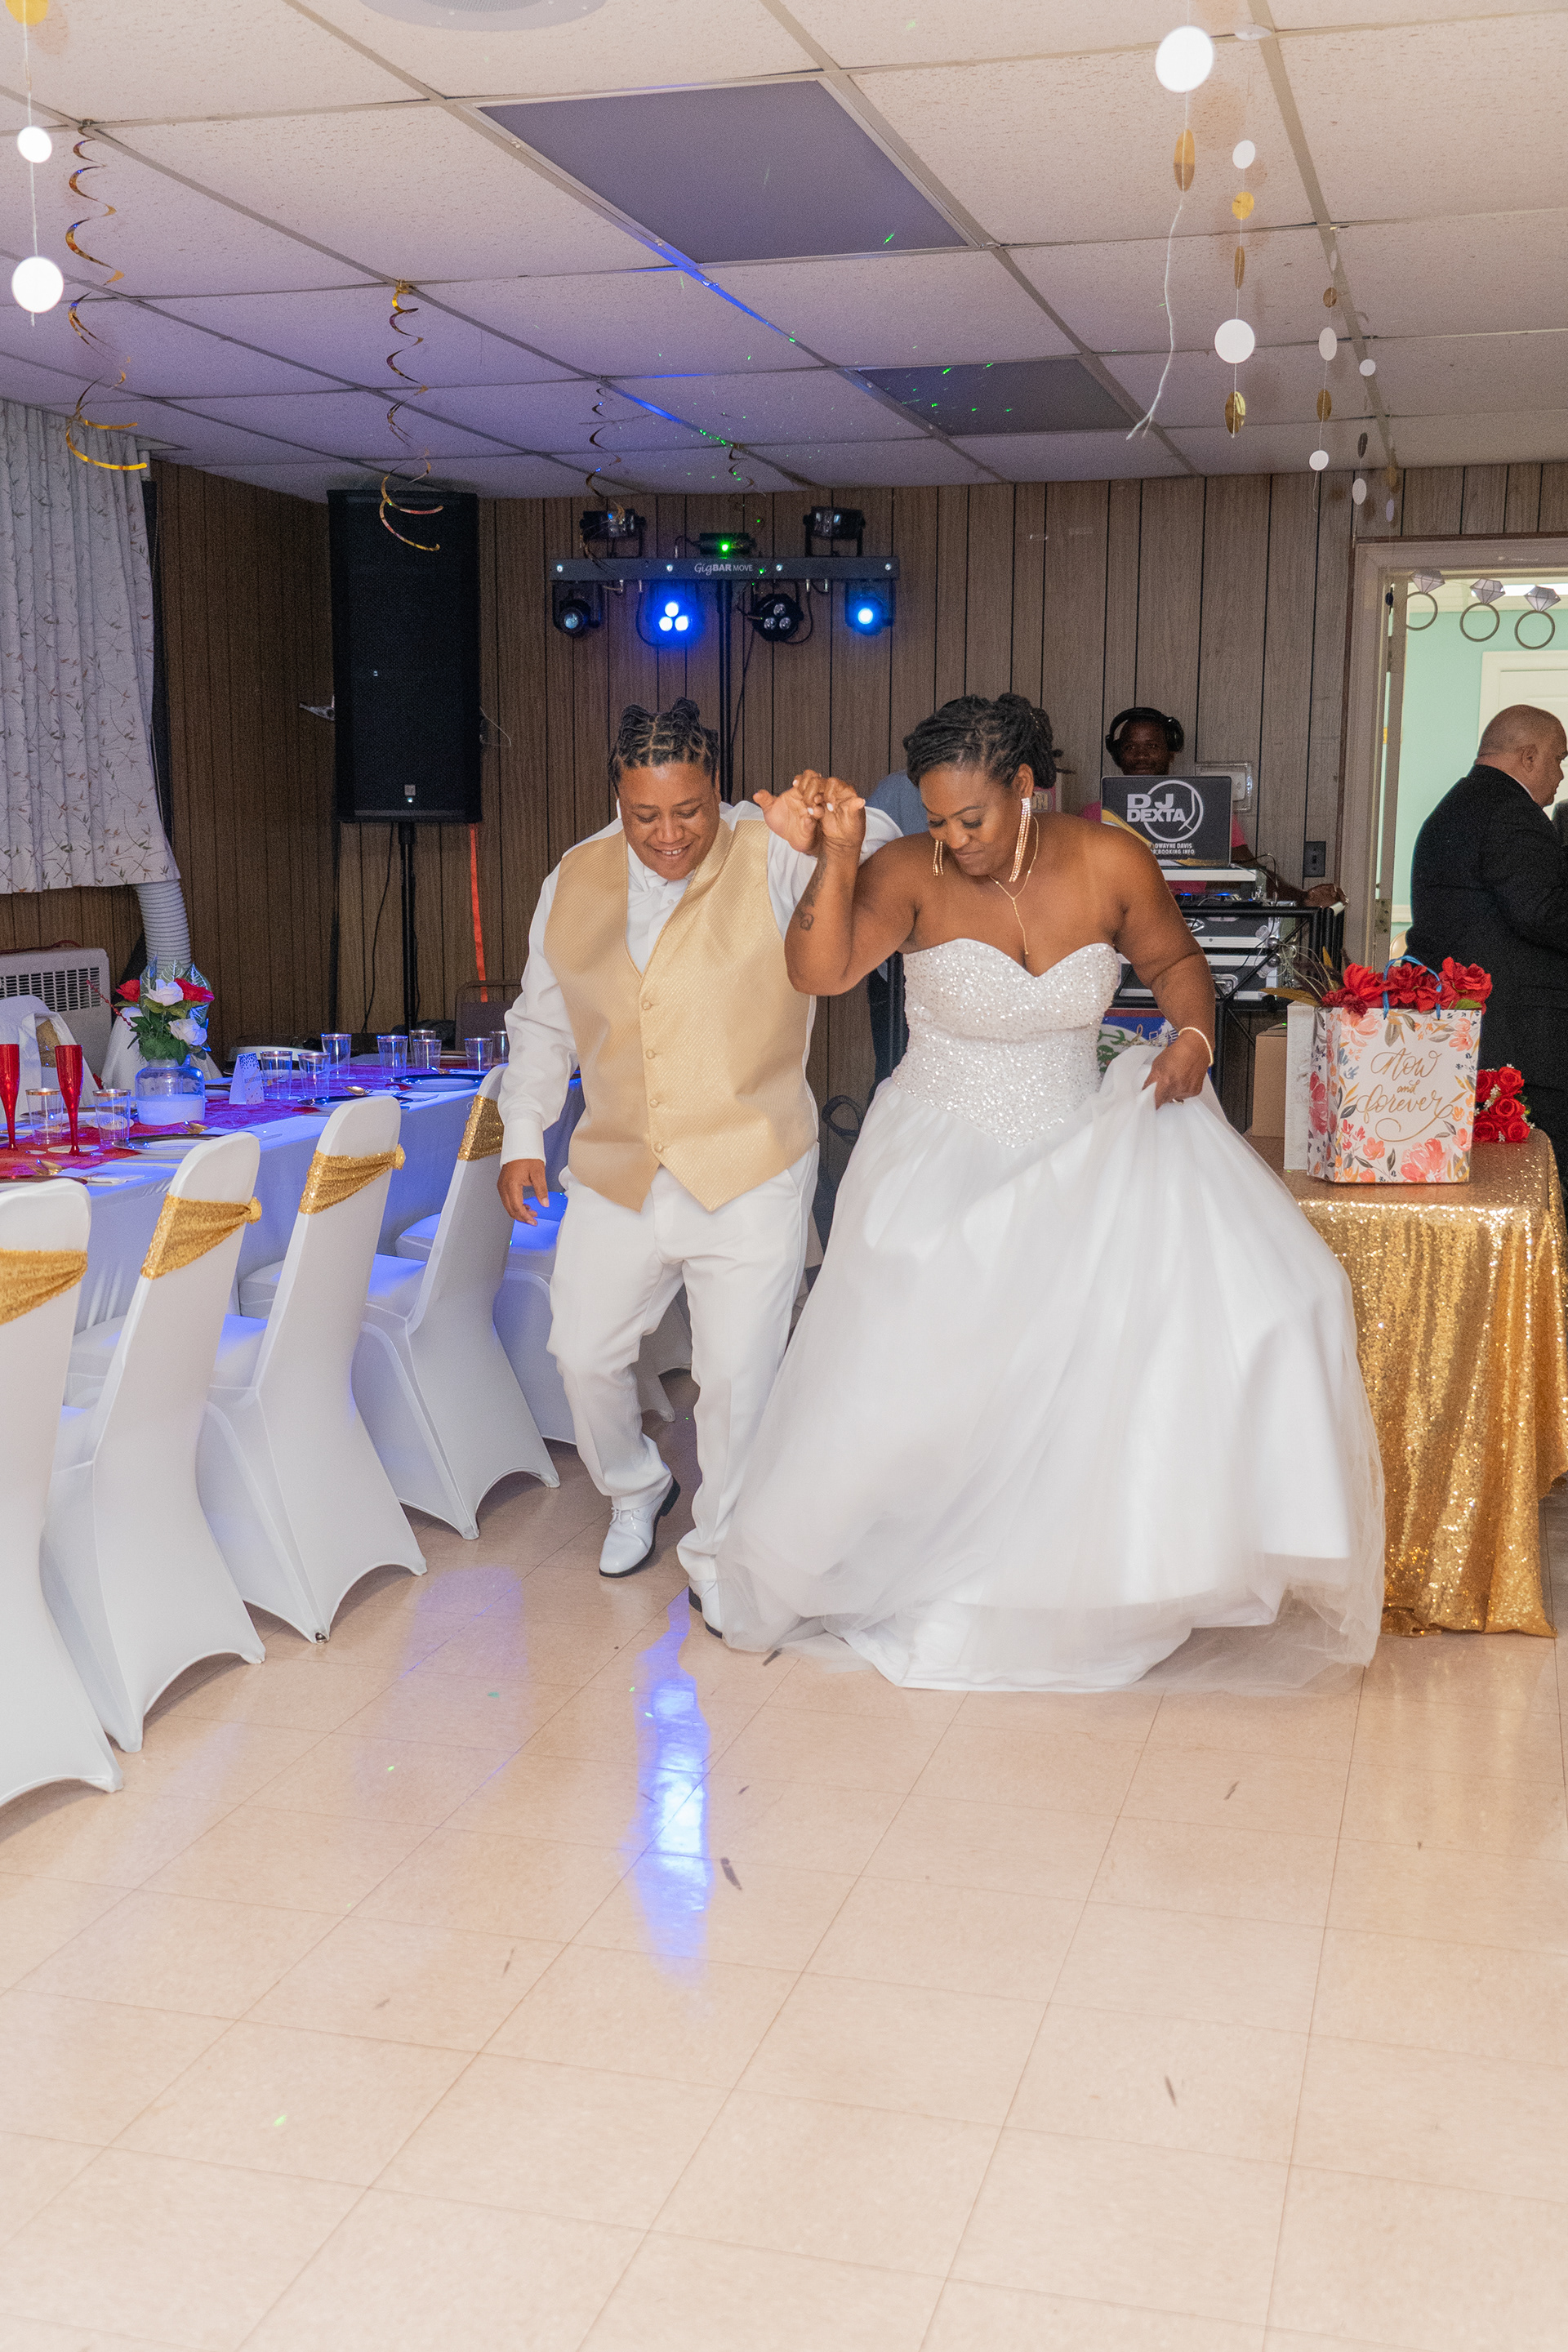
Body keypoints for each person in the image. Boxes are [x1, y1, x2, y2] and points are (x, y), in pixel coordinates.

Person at [715, 692, 1383, 1694]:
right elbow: (819, 971)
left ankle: (1074, 1577)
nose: (953, 841)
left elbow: (1174, 961)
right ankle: (909, 1562)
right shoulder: (908, 873)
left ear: (1026, 788)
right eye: (937, 821)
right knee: (944, 1356)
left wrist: (1194, 1038)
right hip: (939, 1149)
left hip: (1081, 1135)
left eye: (970, 819)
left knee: (1260, 1305)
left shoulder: (1110, 860)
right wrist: (840, 852)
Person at [497, 698, 897, 1620]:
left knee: (737, 1379)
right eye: (647, 816)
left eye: (690, 811)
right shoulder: (573, 878)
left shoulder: (769, 845)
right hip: (618, 1166)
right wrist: (524, 1134)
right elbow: (541, 1022)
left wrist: (829, 820)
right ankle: (637, 1486)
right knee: (582, 1353)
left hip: (752, 1163)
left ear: (716, 791)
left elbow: (879, 838)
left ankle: (721, 1546)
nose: (671, 835)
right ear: (618, 799)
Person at [1407, 702, 1568, 1185]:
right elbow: (1543, 911)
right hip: (1523, 1040)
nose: (1560, 775)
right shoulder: (1509, 813)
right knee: (1539, 1187)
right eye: (1558, 759)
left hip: (1481, 1032)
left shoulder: (1461, 804)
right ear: (1528, 755)